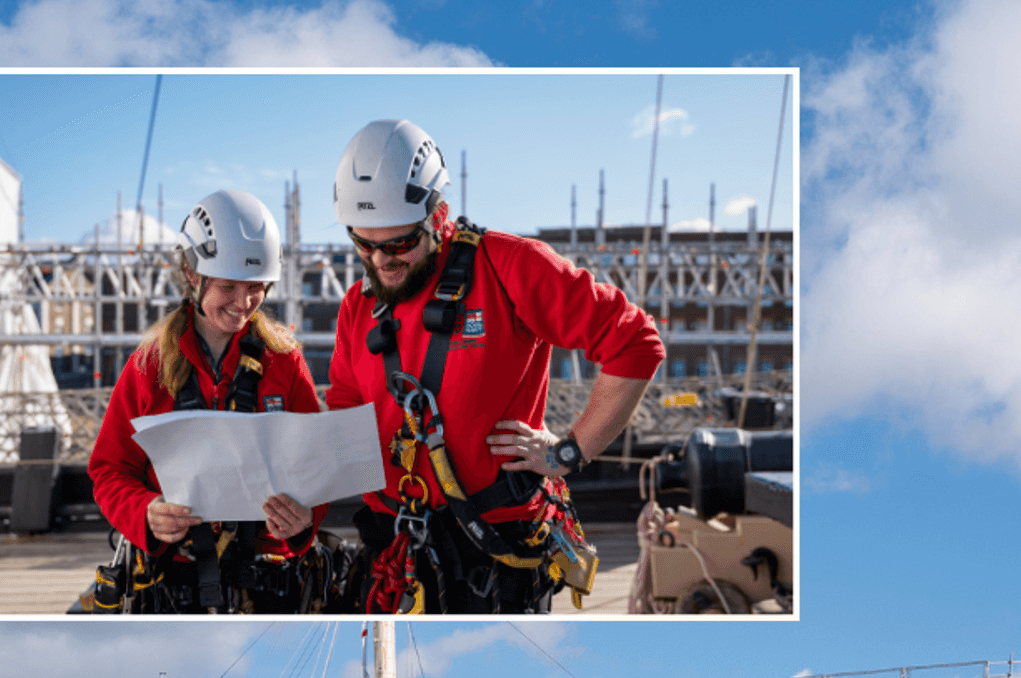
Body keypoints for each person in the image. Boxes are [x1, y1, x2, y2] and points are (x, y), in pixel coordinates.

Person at [324, 118, 665, 613]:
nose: (381, 262)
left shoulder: (510, 267)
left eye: (398, 244)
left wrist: (570, 452)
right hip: (395, 549)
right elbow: (346, 408)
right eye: (363, 244)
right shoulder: (358, 304)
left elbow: (634, 341)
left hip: (496, 551)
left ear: (438, 217)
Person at [83, 189, 341, 613]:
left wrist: (304, 518)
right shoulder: (150, 367)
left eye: (256, 287)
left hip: (267, 582)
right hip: (171, 581)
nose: (243, 303)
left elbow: (315, 467)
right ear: (192, 273)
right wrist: (145, 512)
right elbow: (110, 469)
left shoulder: (284, 363)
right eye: (228, 286)